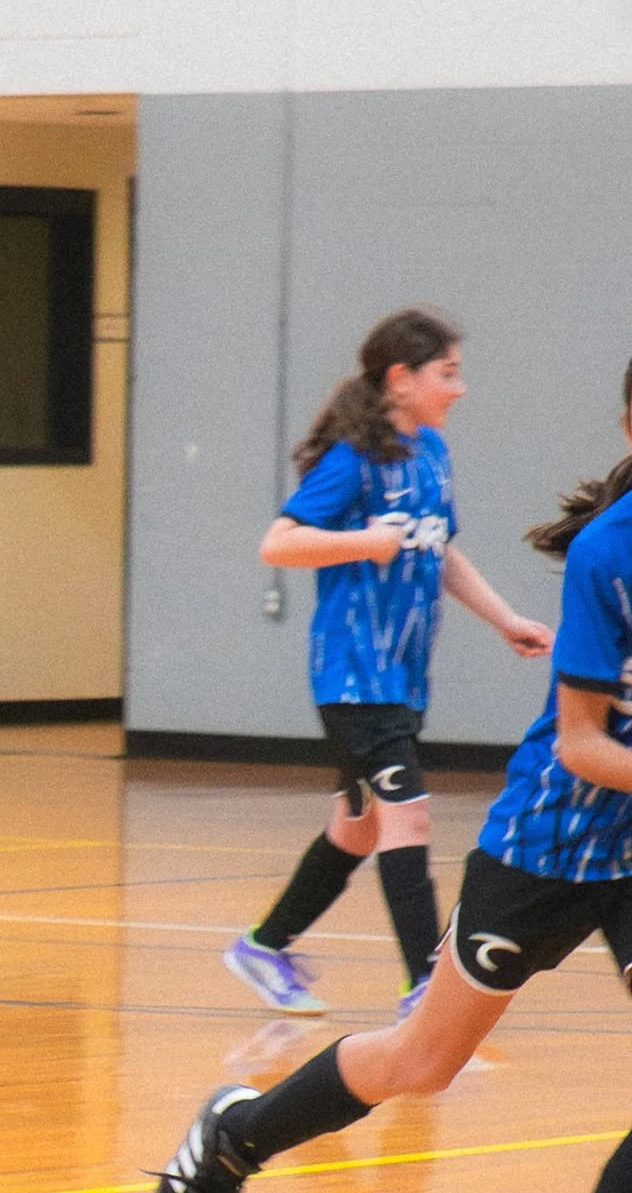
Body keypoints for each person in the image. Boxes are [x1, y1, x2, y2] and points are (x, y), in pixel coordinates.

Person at [156, 360, 632, 1193]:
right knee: (423, 1062)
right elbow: (586, 743)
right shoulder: (611, 552)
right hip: (554, 845)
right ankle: (240, 1135)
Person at [225, 308, 549, 1018]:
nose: (460, 388)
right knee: (411, 818)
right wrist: (362, 541)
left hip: (402, 677)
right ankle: (427, 993)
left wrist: (505, 620)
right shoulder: (351, 460)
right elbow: (278, 544)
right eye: (448, 373)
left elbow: (441, 552)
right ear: (401, 379)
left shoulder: (430, 452)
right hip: (353, 675)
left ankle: (264, 945)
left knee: (361, 825)